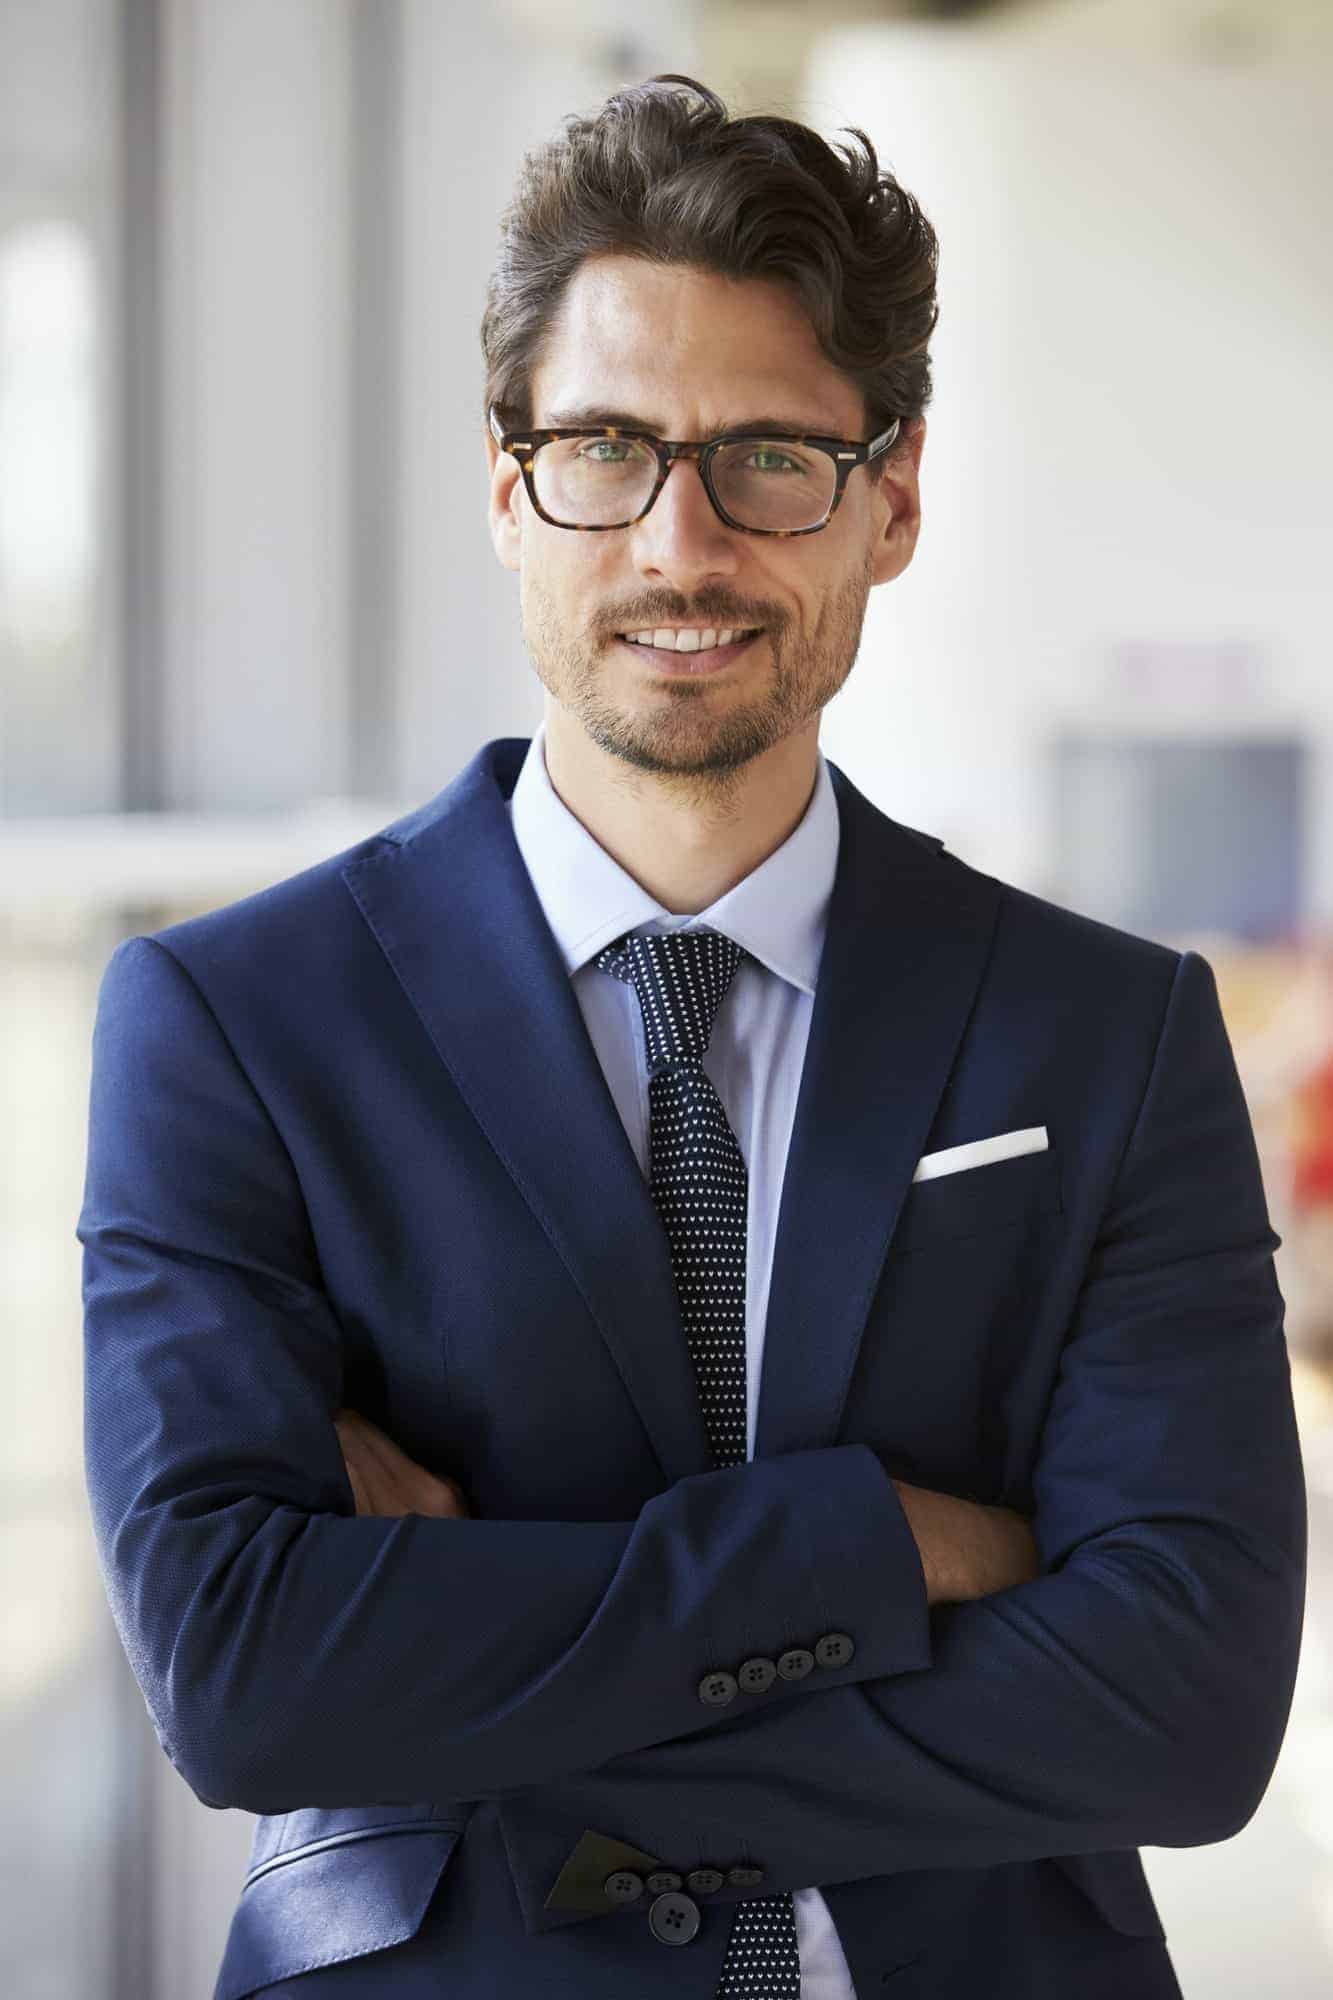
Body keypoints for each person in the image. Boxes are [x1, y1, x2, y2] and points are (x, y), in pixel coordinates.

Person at [78, 74, 1306, 2000]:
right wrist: (873, 1548)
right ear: (507, 486)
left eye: (767, 459)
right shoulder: (233, 1025)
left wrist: (481, 1696)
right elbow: (243, 1678)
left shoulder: (1106, 1032)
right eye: (604, 450)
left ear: (887, 500)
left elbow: (1183, 1706)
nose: (680, 542)